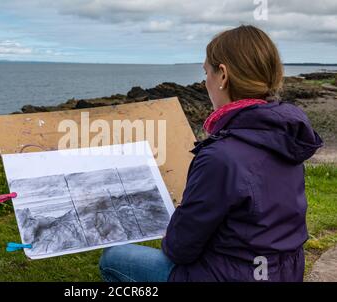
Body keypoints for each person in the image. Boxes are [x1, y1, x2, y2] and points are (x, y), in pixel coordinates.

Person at [98, 25, 323, 282]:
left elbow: (179, 249)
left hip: (231, 276)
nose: (205, 81)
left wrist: (177, 224)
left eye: (206, 72)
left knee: (113, 258)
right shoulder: (287, 137)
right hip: (284, 272)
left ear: (223, 75)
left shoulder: (221, 156)